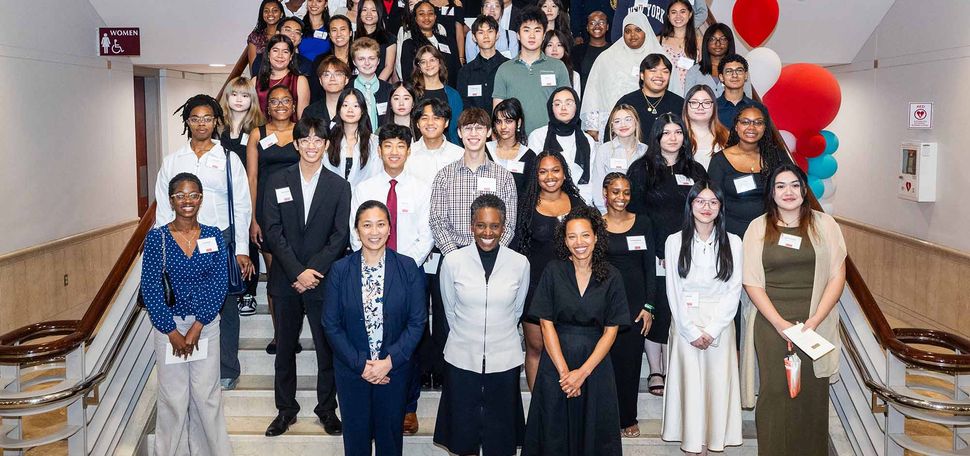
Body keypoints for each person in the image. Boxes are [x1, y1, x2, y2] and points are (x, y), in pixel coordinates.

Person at [741, 163, 847, 456]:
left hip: (816, 322)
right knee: (775, 393)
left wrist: (814, 321)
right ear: (771, 193)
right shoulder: (758, 227)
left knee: (812, 394)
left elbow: (838, 275)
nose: (788, 192)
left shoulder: (826, 224)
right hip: (771, 322)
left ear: (804, 189)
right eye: (780, 186)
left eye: (794, 185)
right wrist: (779, 324)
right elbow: (751, 281)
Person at [154, 95, 254, 391]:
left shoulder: (227, 159)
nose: (201, 124)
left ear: (216, 122)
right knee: (186, 303)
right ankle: (190, 361)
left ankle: (227, 368)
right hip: (179, 242)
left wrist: (241, 250)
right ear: (187, 121)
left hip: (218, 239)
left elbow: (242, 205)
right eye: (195, 118)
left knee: (225, 306)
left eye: (207, 118)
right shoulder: (173, 160)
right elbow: (162, 207)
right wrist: (163, 250)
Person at [261, 116, 349, 437]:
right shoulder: (276, 180)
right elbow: (272, 231)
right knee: (284, 349)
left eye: (318, 140)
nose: (312, 146)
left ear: (327, 145)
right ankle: (286, 410)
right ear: (296, 144)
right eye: (305, 140)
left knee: (327, 350)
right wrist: (298, 271)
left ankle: (327, 409)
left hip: (323, 281)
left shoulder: (340, 186)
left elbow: (340, 236)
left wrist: (314, 271)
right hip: (286, 280)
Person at [323, 200, 427, 454]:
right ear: (357, 230)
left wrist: (388, 362)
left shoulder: (407, 267)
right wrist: (361, 364)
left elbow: (417, 321)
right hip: (352, 371)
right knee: (356, 441)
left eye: (380, 224)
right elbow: (331, 324)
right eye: (367, 225)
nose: (374, 232)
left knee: (390, 441)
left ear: (390, 229)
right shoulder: (339, 270)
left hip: (394, 369)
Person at [522, 205, 627, 456]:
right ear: (564, 241)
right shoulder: (553, 271)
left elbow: (611, 331)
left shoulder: (612, 276)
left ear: (596, 237)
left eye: (585, 235)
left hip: (595, 366)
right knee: (553, 434)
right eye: (572, 236)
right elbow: (546, 324)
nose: (579, 242)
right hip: (556, 365)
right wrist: (565, 373)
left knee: (594, 436)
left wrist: (582, 373)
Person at [143, 173, 233, 455]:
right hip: (168, 328)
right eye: (180, 195)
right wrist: (171, 331)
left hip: (204, 326)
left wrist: (196, 328)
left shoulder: (213, 235)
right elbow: (150, 287)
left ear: (201, 199)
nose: (187, 201)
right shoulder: (157, 239)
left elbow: (219, 283)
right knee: (172, 398)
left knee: (206, 396)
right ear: (171, 200)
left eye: (193, 195)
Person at [428, 108, 519, 391]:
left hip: (495, 261)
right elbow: (437, 219)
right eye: (468, 129)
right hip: (453, 259)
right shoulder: (444, 175)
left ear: (489, 132)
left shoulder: (503, 176)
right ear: (458, 133)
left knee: (492, 320)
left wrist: (489, 254)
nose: (473, 134)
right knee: (450, 323)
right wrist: (457, 256)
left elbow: (510, 223)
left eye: (480, 128)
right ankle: (452, 380)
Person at [434, 194, 529, 456]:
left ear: (504, 226)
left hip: (504, 358)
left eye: (494, 226)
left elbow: (517, 310)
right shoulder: (453, 262)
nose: (488, 232)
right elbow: (449, 311)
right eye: (481, 225)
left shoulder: (520, 263)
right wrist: (469, 337)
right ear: (471, 226)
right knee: (463, 435)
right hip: (462, 357)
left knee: (500, 436)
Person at [626, 112, 707, 396]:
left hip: (690, 252)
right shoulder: (640, 169)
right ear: (657, 137)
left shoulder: (696, 171)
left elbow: (706, 209)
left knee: (681, 307)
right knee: (656, 306)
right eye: (667, 133)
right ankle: (656, 369)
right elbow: (632, 213)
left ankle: (677, 364)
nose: (673, 138)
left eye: (678, 132)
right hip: (653, 252)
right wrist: (653, 250)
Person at [662, 180, 743, 454]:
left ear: (721, 207)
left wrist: (713, 329)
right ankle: (692, 445)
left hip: (719, 324)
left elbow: (734, 291)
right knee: (691, 389)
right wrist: (691, 330)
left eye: (712, 202)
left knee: (717, 387)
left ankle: (712, 444)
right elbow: (673, 289)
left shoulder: (734, 242)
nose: (706, 208)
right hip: (686, 324)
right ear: (691, 205)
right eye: (700, 201)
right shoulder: (674, 241)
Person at [512, 150, 584, 390]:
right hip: (535, 289)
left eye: (555, 170)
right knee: (536, 348)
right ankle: (537, 412)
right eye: (543, 171)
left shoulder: (577, 205)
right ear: (536, 175)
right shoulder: (526, 205)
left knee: (566, 348)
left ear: (564, 174)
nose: (549, 176)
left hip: (572, 288)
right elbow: (517, 250)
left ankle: (563, 404)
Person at [600, 172, 655, 438]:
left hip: (636, 307)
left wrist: (649, 307)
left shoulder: (642, 222)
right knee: (604, 365)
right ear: (605, 194)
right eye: (615, 192)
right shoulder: (596, 225)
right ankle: (604, 418)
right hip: (605, 305)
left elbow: (650, 269)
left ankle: (628, 417)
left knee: (630, 365)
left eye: (626, 192)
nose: (621, 197)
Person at [247, 85, 301, 355]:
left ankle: (293, 333)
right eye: (275, 101)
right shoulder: (258, 133)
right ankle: (280, 335)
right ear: (267, 106)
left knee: (296, 274)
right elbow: (252, 178)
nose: (280, 105)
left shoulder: (303, 132)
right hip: (268, 214)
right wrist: (254, 218)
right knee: (276, 278)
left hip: (297, 212)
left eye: (286, 100)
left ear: (294, 105)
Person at [350, 124, 434, 270]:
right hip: (370, 268)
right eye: (388, 146)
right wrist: (371, 263)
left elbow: (427, 236)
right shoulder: (364, 189)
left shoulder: (422, 189)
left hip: (410, 268)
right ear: (379, 151)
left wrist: (403, 266)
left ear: (408, 151)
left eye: (400, 146)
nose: (394, 152)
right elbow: (355, 232)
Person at [219, 77, 266, 317]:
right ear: (227, 98)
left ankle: (248, 292)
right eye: (235, 94)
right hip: (221, 197)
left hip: (247, 195)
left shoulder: (257, 130)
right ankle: (226, 287)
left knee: (249, 243)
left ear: (252, 100)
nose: (239, 100)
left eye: (245, 95)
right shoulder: (218, 129)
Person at [707, 103, 790, 238]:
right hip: (732, 236)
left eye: (758, 122)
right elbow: (713, 201)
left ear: (765, 128)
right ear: (736, 126)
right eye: (745, 122)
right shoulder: (720, 161)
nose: (751, 127)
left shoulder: (777, 157)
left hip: (771, 233)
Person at [580, 11, 663, 141]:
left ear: (646, 31)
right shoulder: (606, 58)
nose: (632, 35)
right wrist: (592, 126)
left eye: (638, 30)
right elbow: (593, 91)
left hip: (650, 123)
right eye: (627, 31)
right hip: (614, 125)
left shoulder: (659, 58)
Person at [492, 7, 571, 135]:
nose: (532, 35)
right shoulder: (504, 69)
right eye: (526, 30)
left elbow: (567, 106)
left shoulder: (558, 67)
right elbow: (497, 113)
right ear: (518, 34)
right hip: (515, 143)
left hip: (550, 140)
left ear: (544, 35)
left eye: (537, 30)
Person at [527, 87, 595, 204]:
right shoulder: (537, 136)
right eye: (557, 104)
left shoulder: (588, 140)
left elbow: (590, 181)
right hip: (544, 202)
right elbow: (532, 177)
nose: (563, 108)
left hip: (581, 202)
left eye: (568, 103)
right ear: (551, 108)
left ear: (577, 107)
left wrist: (581, 206)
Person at [613, 53, 684, 143]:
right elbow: (611, 135)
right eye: (653, 70)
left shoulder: (679, 103)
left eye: (665, 71)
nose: (659, 75)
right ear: (642, 75)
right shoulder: (627, 102)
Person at [591, 104, 647, 211]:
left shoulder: (646, 151)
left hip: (641, 213)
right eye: (617, 121)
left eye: (628, 119)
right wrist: (605, 215)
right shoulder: (604, 150)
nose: (623, 124)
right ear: (612, 126)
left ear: (636, 122)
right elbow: (598, 188)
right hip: (611, 213)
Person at [324, 88, 383, 186]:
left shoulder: (374, 142)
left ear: (363, 110)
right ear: (339, 110)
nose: (350, 110)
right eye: (345, 105)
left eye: (356, 106)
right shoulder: (329, 141)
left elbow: (376, 174)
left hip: (364, 197)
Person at [397, 1, 461, 86]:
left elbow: (457, 70)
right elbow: (408, 76)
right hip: (422, 94)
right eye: (421, 14)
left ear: (435, 17)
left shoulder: (448, 41)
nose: (426, 17)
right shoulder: (409, 44)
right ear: (415, 18)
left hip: (448, 91)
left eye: (430, 14)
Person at [411, 44, 464, 143]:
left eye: (432, 60)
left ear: (439, 63)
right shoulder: (412, 94)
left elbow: (456, 130)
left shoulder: (453, 95)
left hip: (448, 151)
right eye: (423, 62)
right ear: (419, 67)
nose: (428, 65)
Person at [458, 15, 511, 112]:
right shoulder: (465, 72)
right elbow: (464, 104)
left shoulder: (509, 66)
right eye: (481, 32)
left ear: (497, 35)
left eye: (490, 31)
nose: (486, 36)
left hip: (503, 124)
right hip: (475, 125)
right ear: (474, 37)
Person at [685, 24, 752, 98]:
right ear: (706, 42)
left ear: (729, 42)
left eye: (723, 39)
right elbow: (688, 102)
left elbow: (747, 101)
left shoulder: (740, 70)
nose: (718, 44)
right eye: (712, 39)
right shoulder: (694, 71)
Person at [407, 97, 465, 183]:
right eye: (424, 118)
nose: (430, 123)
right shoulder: (407, 154)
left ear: (446, 123)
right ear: (417, 124)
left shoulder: (460, 155)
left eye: (436, 118)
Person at [486, 98, 537, 195]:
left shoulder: (529, 156)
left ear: (518, 123)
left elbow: (530, 194)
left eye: (508, 121)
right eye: (498, 122)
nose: (503, 127)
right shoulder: (484, 151)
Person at [255, 35, 311, 120]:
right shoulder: (255, 81)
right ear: (268, 54)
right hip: (261, 131)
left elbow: (302, 120)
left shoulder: (300, 81)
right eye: (275, 50)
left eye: (285, 52)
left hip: (291, 132)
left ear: (291, 56)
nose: (280, 55)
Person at [656, 0, 700, 96]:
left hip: (689, 96)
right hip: (663, 95)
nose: (678, 16)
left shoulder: (699, 42)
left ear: (690, 14)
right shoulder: (659, 41)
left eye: (683, 11)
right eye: (673, 12)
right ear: (668, 16)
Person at [611, 0, 707, 41]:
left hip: (657, 51)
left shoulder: (669, 1)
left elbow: (676, 24)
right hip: (629, 50)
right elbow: (616, 32)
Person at [682, 84, 728, 170]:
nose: (700, 107)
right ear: (686, 107)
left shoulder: (727, 136)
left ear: (714, 107)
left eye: (706, 103)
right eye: (694, 102)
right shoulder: (676, 137)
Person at [351, 38, 393, 132]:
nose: (367, 63)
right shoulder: (346, 89)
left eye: (371, 58)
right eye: (361, 59)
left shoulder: (390, 90)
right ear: (354, 62)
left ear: (378, 61)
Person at [355, 0, 398, 80]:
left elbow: (389, 67)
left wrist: (374, 86)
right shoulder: (353, 37)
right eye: (364, 10)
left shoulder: (389, 38)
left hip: (380, 84)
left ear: (379, 13)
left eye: (373, 10)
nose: (369, 14)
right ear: (359, 13)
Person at [304, 56, 352, 123]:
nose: (332, 79)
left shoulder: (355, 109)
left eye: (338, 74)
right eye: (327, 75)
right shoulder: (310, 112)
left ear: (346, 80)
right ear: (320, 81)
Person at [571, 11, 609, 94]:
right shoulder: (576, 52)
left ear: (607, 27)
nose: (597, 26)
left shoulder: (615, 50)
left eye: (601, 22)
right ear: (587, 28)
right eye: (592, 23)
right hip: (584, 100)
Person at [715, 54, 754, 128]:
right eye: (729, 71)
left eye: (739, 71)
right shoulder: (712, 108)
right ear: (721, 77)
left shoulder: (757, 108)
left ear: (746, 75)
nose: (734, 75)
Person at [248, 0, 285, 69]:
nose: (270, 14)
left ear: (281, 14)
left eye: (275, 11)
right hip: (262, 78)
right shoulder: (255, 37)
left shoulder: (286, 34)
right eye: (266, 11)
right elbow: (253, 68)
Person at [542, 29, 581, 94]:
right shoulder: (537, 71)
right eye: (550, 45)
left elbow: (576, 101)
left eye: (559, 45)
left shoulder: (575, 75)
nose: (554, 49)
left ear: (564, 48)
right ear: (543, 48)